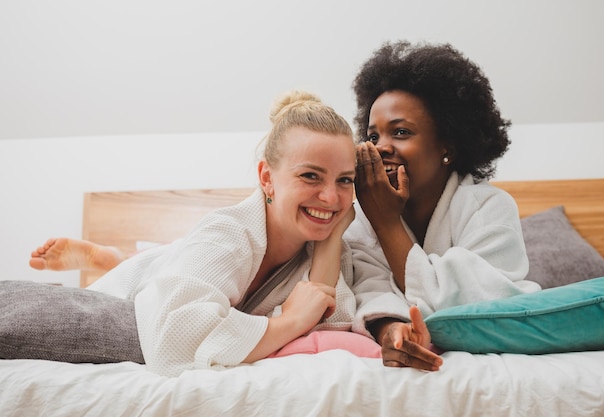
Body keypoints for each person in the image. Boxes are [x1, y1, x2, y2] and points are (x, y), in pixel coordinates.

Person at [31, 90, 358, 378]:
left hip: (183, 263)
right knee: (169, 263)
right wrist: (286, 322)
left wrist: (333, 234)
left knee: (174, 255)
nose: (331, 197)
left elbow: (334, 319)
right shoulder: (228, 232)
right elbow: (173, 341)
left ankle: (118, 258)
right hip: (128, 295)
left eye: (345, 180)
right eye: (311, 176)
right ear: (266, 177)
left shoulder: (326, 248)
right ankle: (120, 264)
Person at [344, 40, 541, 370]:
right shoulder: (361, 215)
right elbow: (368, 288)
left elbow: (476, 301)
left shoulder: (489, 207)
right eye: (373, 136)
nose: (381, 148)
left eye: (401, 131)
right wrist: (393, 330)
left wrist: (388, 224)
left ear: (447, 147)